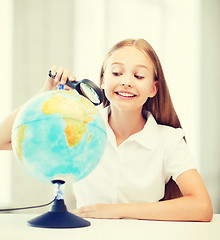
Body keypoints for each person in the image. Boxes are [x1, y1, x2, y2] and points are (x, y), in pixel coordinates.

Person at [0, 38, 213, 222]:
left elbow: (202, 207)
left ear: (153, 88)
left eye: (138, 76)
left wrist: (116, 211)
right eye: (117, 73)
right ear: (102, 80)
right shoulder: (80, 126)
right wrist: (45, 93)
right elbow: (3, 140)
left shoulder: (169, 140)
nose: (126, 82)